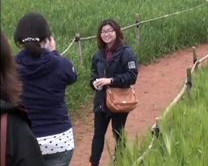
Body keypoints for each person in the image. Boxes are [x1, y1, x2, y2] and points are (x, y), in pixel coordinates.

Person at [13, 12, 78, 166]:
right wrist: (54, 53)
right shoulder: (61, 63)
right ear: (47, 38)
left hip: (25, 141)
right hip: (60, 139)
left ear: (19, 38)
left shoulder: (10, 67)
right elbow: (72, 77)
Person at [89, 19, 139, 166]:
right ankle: (94, 163)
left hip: (119, 101)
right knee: (98, 135)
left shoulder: (126, 53)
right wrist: (94, 82)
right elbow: (93, 74)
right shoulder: (98, 54)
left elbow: (132, 76)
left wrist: (110, 81)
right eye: (103, 32)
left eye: (110, 31)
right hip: (101, 102)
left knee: (118, 135)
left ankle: (121, 162)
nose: (107, 34)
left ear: (117, 32)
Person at [1, 28, 46, 166]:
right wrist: (53, 53)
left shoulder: (19, 62)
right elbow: (71, 75)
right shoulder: (11, 126)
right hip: (57, 135)